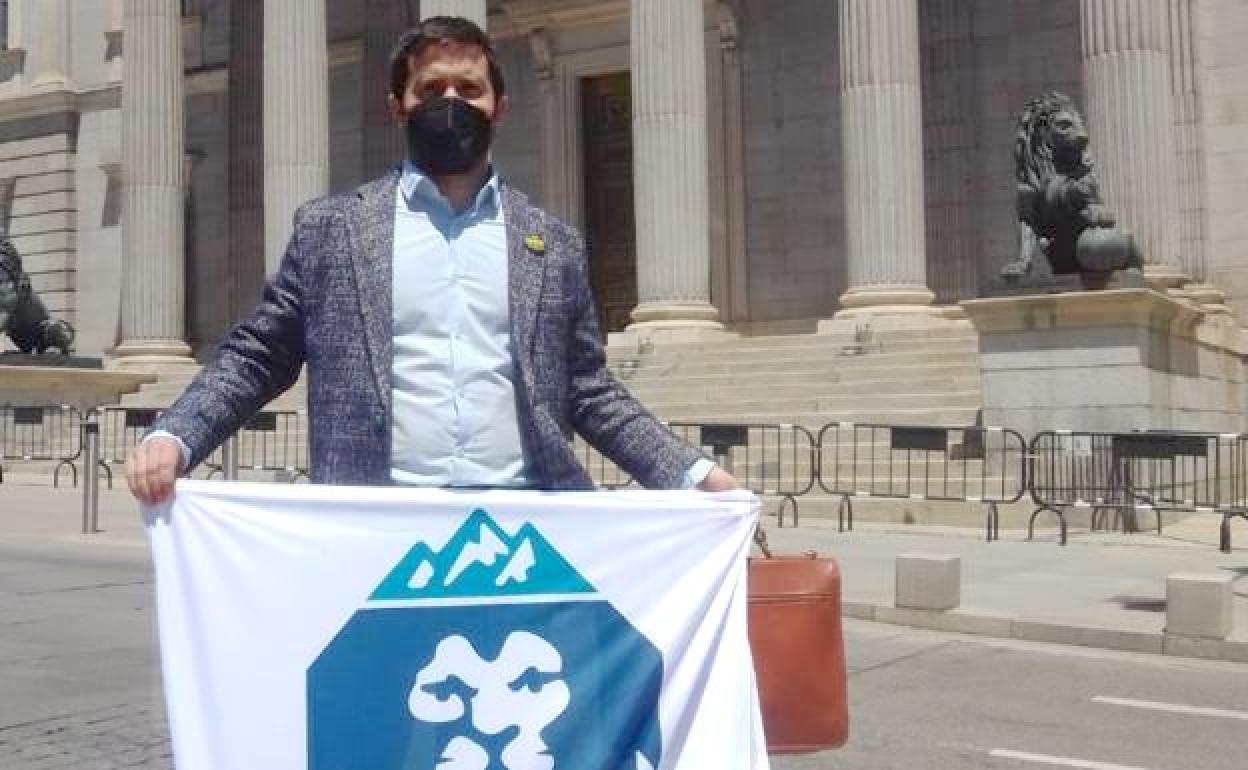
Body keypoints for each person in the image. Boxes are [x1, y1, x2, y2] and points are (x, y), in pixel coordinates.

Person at [127, 16, 736, 504]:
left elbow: (588, 390)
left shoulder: (553, 244)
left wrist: (691, 472)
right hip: (381, 522)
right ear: (399, 105)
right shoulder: (333, 230)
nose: (451, 102)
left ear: (500, 106)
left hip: (521, 520)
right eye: (431, 89)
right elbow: (260, 355)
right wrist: (177, 433)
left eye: (469, 89)